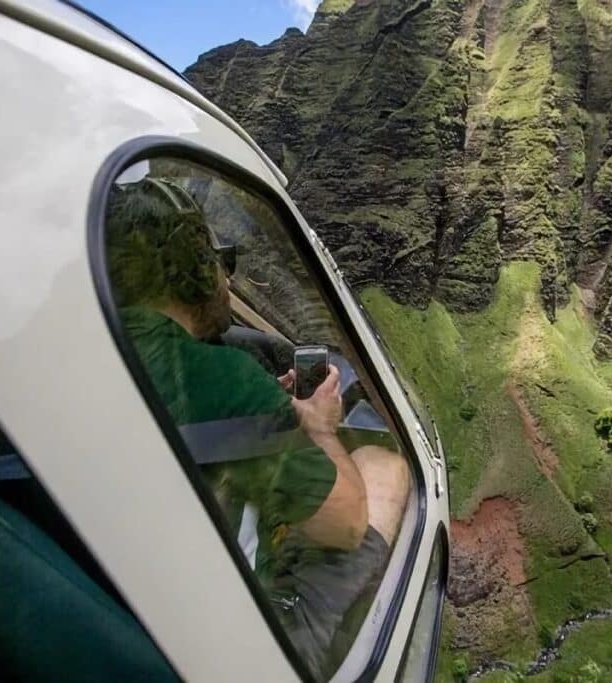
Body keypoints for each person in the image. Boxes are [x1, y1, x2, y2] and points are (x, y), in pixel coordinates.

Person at [105, 176, 409, 677]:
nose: (227, 281)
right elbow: (346, 525)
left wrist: (275, 412)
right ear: (197, 272)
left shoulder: (88, 351)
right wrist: (321, 430)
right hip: (230, 645)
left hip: (130, 617)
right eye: (223, 264)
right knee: (384, 468)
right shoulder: (220, 378)